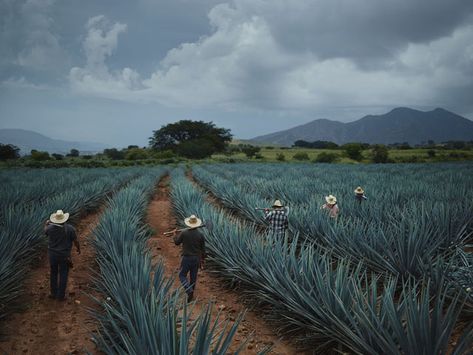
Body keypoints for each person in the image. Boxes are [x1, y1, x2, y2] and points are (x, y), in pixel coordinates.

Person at [43, 210, 80, 301]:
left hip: (52, 255)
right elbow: (75, 240)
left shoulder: (50, 228)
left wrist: (46, 224)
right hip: (64, 256)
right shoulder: (70, 228)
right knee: (63, 274)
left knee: (53, 273)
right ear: (64, 219)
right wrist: (78, 248)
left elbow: (45, 231)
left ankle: (53, 293)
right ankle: (61, 296)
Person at [173, 214, 206, 302]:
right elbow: (203, 250)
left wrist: (175, 235)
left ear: (189, 224)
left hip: (187, 258)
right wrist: (202, 260)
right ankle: (191, 295)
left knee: (182, 275)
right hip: (196, 259)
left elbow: (177, 242)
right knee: (193, 277)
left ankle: (189, 290)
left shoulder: (184, 233)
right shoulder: (200, 235)